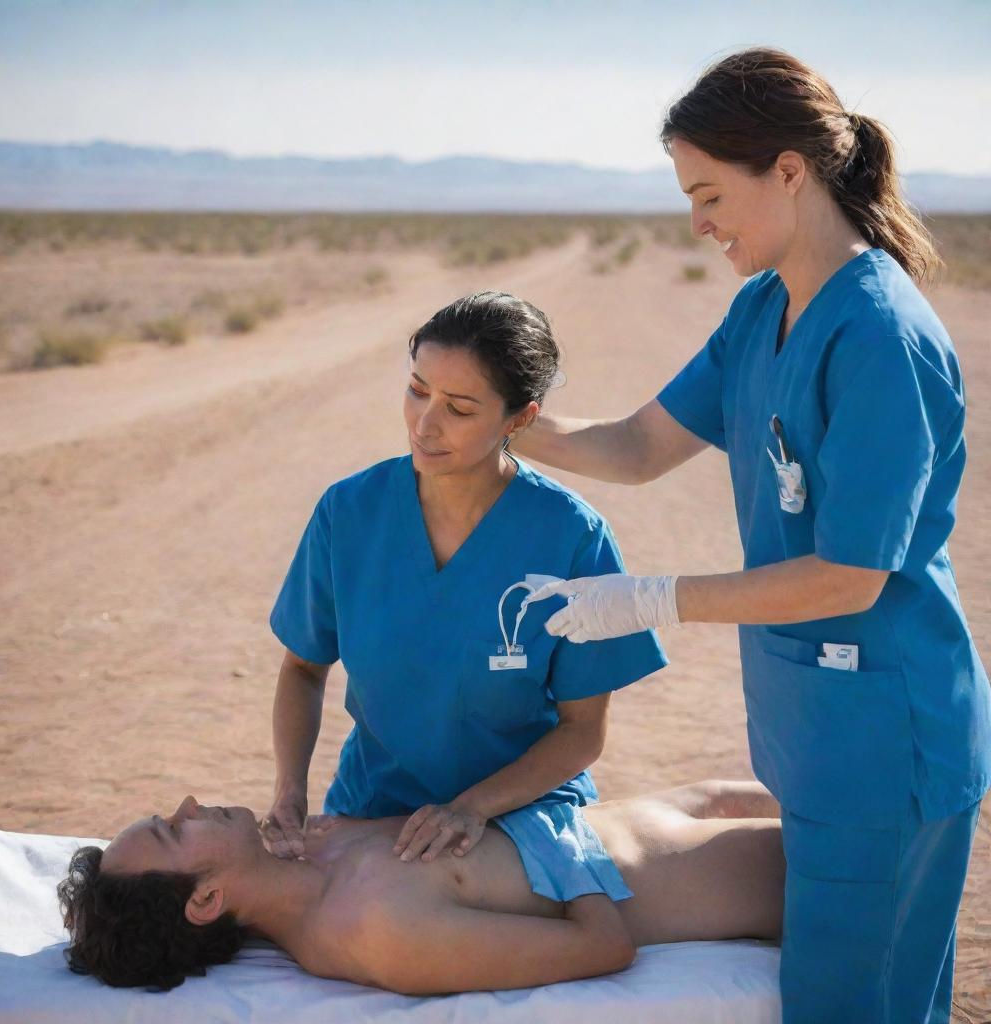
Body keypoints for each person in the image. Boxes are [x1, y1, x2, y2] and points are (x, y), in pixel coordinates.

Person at [516, 48, 991, 1024]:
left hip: (886, 735)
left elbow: (850, 577)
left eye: (707, 193)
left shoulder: (878, 339)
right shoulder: (762, 311)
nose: (697, 224)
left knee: (857, 1005)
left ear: (788, 169)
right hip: (813, 725)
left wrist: (650, 598)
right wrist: (514, 425)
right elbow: (643, 444)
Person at [265, 291, 668, 913]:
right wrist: (290, 790)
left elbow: (582, 733)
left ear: (519, 418)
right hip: (373, 813)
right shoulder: (348, 513)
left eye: (458, 408)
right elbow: (301, 669)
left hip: (519, 823)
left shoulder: (571, 538)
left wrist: (470, 809)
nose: (425, 424)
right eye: (417, 390)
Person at [58, 779, 785, 993]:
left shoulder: (315, 849)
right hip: (730, 876)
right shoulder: (379, 931)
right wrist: (553, 833)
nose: (188, 805)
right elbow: (603, 947)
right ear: (207, 899)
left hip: (683, 806)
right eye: (173, 832)